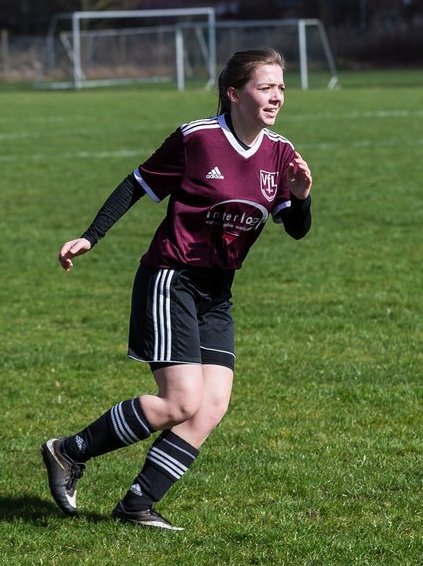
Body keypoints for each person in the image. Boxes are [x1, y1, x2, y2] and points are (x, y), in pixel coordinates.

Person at [42, 48, 314, 531]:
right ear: (234, 93)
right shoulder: (198, 139)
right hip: (171, 277)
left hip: (217, 291)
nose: (276, 97)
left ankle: (138, 503)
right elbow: (136, 183)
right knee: (180, 402)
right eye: (265, 87)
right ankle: (69, 451)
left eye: (281, 89)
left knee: (211, 406)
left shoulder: (280, 152)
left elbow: (294, 228)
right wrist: (91, 235)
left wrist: (300, 196)